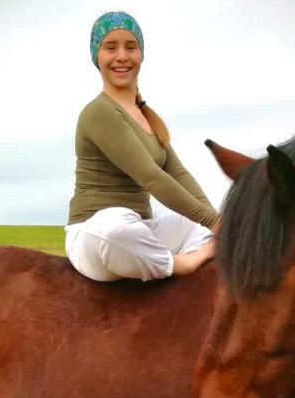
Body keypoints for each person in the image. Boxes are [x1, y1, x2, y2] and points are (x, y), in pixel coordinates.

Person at [65, 11, 220, 282]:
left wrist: (216, 224)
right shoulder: (99, 112)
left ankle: (160, 266)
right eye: (110, 47)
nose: (121, 56)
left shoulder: (146, 115)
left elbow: (178, 174)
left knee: (196, 227)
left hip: (141, 226)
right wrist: (215, 222)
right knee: (116, 230)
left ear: (141, 54)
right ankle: (181, 263)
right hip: (94, 232)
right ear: (97, 57)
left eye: (130, 47)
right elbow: (151, 176)